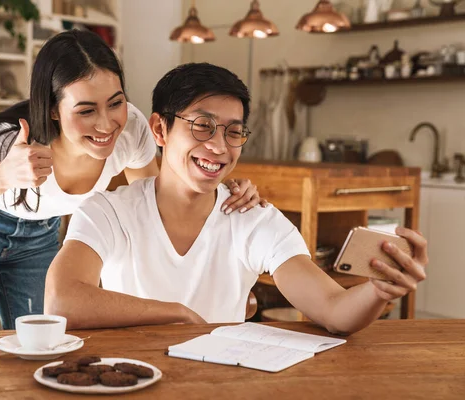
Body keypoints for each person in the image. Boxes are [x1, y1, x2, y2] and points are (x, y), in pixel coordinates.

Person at [0, 32, 263, 332]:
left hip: (39, 235)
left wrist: (224, 196)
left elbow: (158, 213)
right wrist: (0, 176)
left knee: (43, 346)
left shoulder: (132, 131)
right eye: (86, 110)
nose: (107, 125)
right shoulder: (11, 141)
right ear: (53, 110)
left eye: (116, 103)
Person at [44, 63, 428, 334]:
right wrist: (176, 315)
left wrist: (381, 290)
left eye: (233, 132)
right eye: (202, 126)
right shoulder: (108, 212)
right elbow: (62, 302)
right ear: (160, 128)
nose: (218, 146)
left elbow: (334, 310)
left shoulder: (255, 220)